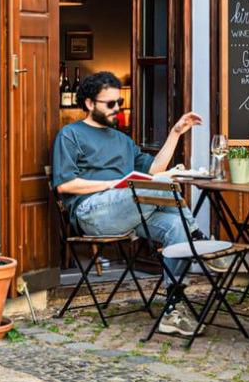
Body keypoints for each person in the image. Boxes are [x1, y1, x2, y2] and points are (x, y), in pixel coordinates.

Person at [51, 71, 204, 336]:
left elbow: (155, 169)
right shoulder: (70, 135)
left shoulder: (122, 140)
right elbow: (65, 185)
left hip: (129, 210)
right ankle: (199, 237)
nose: (116, 109)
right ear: (89, 103)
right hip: (92, 213)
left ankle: (172, 308)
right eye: (110, 104)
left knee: (175, 224)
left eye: (118, 103)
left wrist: (176, 133)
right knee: (154, 188)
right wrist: (113, 184)